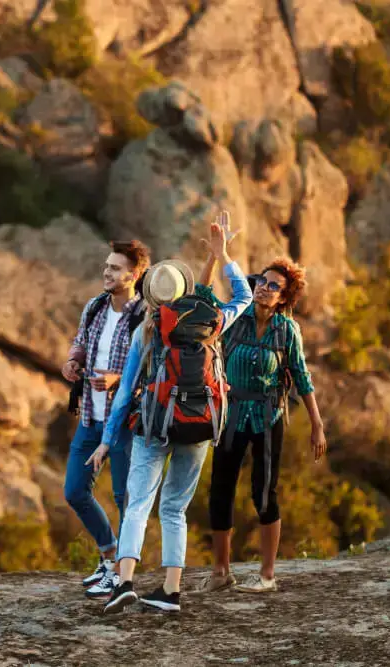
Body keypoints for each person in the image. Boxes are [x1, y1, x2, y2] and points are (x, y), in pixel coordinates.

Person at [92, 214, 253, 614]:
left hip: (153, 425)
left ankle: (125, 582)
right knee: (175, 508)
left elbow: (127, 391)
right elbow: (244, 298)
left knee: (138, 505)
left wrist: (107, 441)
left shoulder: (146, 329)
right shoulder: (210, 322)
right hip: (199, 425)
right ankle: (170, 591)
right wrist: (223, 256)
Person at [197, 257, 328, 594]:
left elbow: (301, 376)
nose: (263, 289)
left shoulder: (287, 330)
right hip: (231, 414)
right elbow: (202, 297)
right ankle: (220, 572)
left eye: (273, 286)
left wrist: (317, 424)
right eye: (261, 282)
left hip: (268, 418)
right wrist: (217, 255)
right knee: (221, 490)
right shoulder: (236, 317)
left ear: (284, 297)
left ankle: (267, 576)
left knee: (264, 493)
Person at [61, 240, 150, 598]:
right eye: (107, 266)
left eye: (115, 268)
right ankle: (109, 553)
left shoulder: (145, 315)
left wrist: (118, 379)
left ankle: (121, 573)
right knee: (75, 491)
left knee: (124, 497)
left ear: (134, 274)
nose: (107, 272)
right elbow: (80, 340)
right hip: (89, 417)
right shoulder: (95, 307)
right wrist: (73, 360)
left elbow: (151, 368)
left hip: (125, 422)